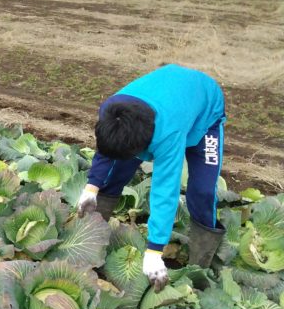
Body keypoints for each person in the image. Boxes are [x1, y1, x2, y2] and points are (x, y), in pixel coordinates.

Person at [77, 64, 226, 292]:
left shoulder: (168, 134)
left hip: (205, 114)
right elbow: (106, 150)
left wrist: (155, 252)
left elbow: (165, 190)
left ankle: (198, 272)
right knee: (116, 171)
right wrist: (91, 188)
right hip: (168, 97)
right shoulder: (111, 111)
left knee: (203, 191)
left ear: (145, 146)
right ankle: (91, 242)